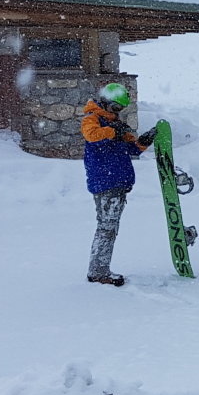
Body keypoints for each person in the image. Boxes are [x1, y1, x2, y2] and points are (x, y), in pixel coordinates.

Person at [82, 82, 154, 286]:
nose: (117, 113)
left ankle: (99, 269)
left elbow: (132, 149)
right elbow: (91, 135)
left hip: (118, 182)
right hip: (106, 182)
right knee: (106, 227)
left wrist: (144, 141)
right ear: (105, 103)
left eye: (120, 109)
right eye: (115, 108)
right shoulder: (92, 119)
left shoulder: (113, 124)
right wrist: (113, 131)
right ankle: (98, 272)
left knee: (110, 227)